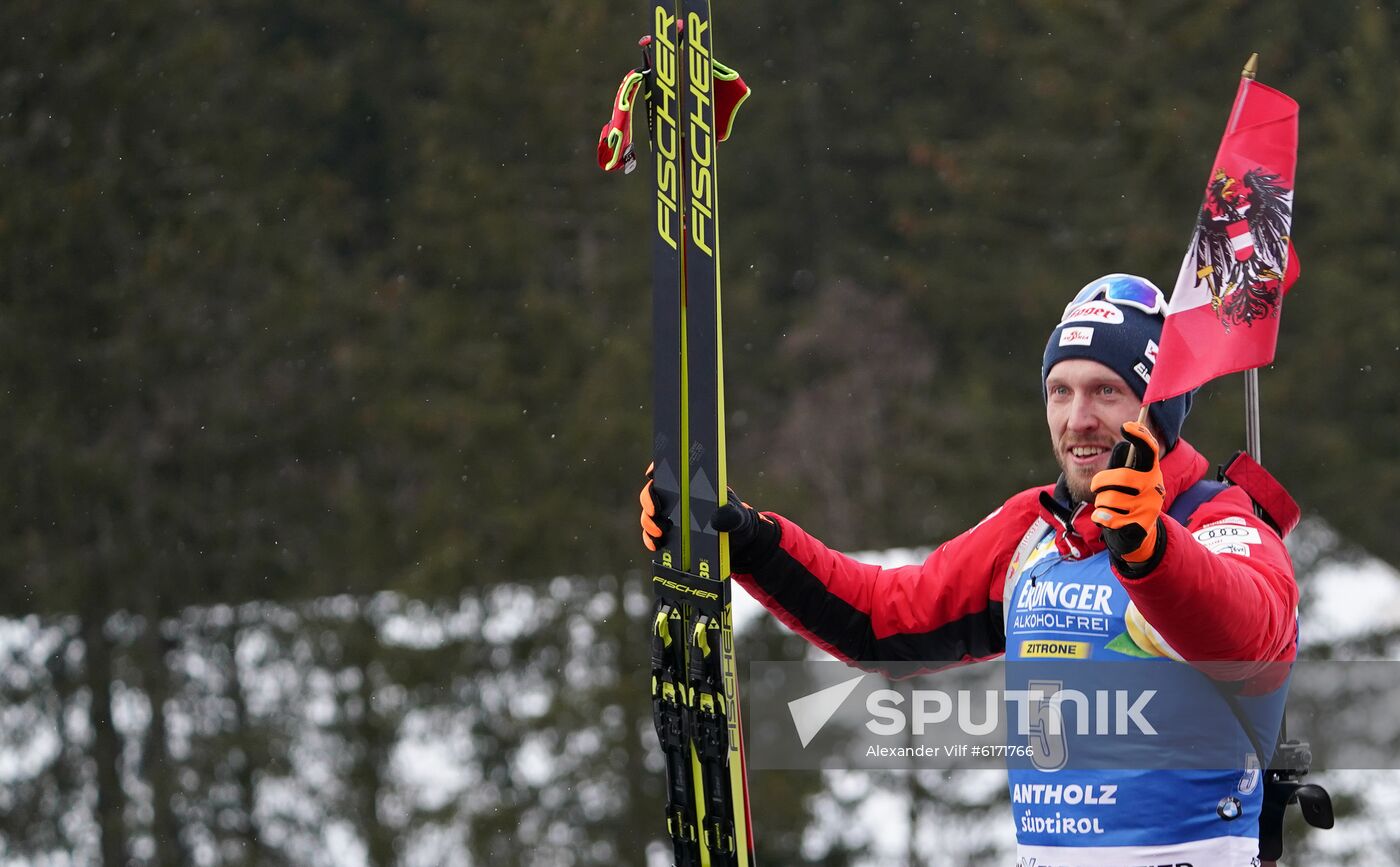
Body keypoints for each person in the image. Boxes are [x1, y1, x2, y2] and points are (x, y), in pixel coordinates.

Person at [640, 274, 1299, 867]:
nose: (1078, 419)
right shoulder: (1034, 531)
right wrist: (751, 541)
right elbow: (883, 617)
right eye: (1060, 391)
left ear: (1159, 411)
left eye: (1107, 391)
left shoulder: (1216, 520)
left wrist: (1151, 549)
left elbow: (1251, 634)